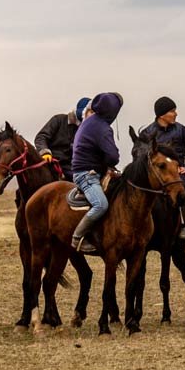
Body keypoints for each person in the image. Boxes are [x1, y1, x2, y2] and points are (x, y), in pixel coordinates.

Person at [140, 96, 185, 241]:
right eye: (172, 111)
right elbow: (140, 158)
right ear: (161, 114)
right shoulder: (147, 133)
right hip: (156, 175)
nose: (176, 114)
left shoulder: (182, 130)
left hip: (177, 174)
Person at [70, 92, 123, 254]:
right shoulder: (102, 128)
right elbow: (113, 156)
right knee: (101, 205)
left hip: (89, 170)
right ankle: (78, 238)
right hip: (87, 174)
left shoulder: (89, 120)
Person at [32, 97, 91, 180]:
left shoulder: (86, 130)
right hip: (50, 163)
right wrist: (45, 152)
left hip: (71, 168)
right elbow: (41, 137)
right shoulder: (59, 120)